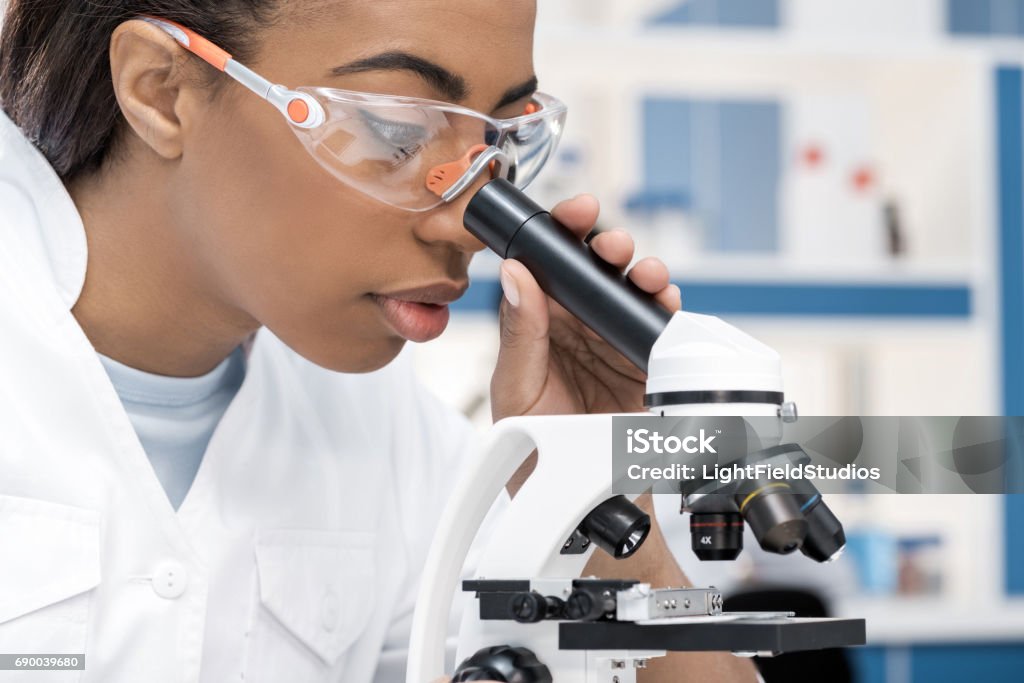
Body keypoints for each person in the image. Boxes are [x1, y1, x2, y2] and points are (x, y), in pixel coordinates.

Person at [0, 1, 757, 682]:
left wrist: (596, 495)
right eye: (396, 132)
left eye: (499, 146)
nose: (467, 222)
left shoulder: (386, 434)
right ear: (160, 89)